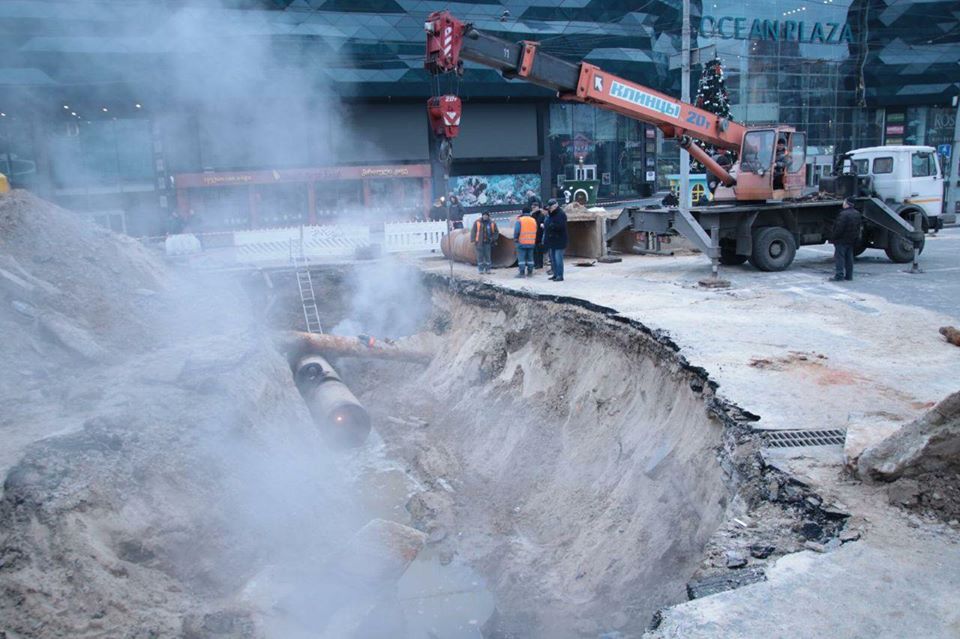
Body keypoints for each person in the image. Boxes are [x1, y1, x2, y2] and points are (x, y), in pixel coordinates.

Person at [831, 197, 861, 281]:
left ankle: (839, 275)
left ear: (847, 204)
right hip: (851, 239)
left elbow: (839, 228)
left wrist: (833, 237)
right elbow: (858, 228)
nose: (843, 204)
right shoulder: (857, 213)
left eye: (844, 202)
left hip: (841, 240)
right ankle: (849, 275)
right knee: (849, 258)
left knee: (840, 258)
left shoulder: (843, 214)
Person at [543, 198, 568, 282]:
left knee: (558, 259)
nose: (549, 209)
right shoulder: (551, 214)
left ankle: (560, 275)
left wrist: (551, 225)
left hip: (559, 240)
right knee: (553, 259)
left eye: (551, 207)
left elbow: (561, 226)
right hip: (552, 240)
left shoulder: (560, 214)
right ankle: (555, 274)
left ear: (555, 206)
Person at [513, 206, 537, 278]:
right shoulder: (533, 220)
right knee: (530, 258)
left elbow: (517, 231)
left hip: (522, 242)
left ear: (522, 212)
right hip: (531, 242)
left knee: (521, 259)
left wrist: (515, 238)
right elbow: (536, 230)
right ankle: (530, 272)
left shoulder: (520, 220)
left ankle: (522, 273)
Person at [529, 198, 546, 269]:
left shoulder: (541, 215)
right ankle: (537, 264)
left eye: (533, 207)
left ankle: (539, 264)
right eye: (532, 207)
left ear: (537, 207)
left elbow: (540, 225)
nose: (532, 209)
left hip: (539, 236)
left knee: (539, 251)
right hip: (534, 236)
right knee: (535, 251)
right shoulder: (532, 216)